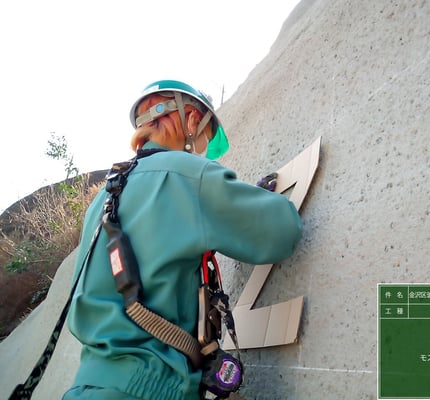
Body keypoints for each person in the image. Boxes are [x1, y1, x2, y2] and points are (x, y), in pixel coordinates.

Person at [62, 80, 302, 400]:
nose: (202, 149)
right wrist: (256, 204)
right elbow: (282, 231)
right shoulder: (185, 173)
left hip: (89, 386)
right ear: (191, 120)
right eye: (204, 137)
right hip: (153, 388)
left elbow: (153, 251)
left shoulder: (104, 198)